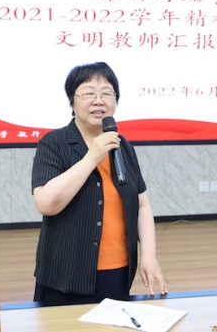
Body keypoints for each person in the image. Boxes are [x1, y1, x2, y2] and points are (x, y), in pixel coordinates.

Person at [31, 61, 167, 305]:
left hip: (118, 270)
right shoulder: (54, 143)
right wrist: (91, 157)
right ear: (72, 101)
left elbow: (142, 204)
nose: (98, 101)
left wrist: (148, 254)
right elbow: (46, 204)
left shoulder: (122, 146)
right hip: (65, 274)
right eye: (89, 93)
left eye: (107, 93)